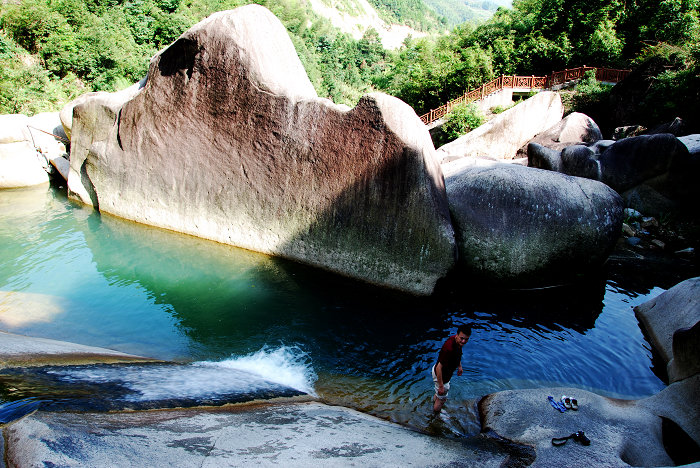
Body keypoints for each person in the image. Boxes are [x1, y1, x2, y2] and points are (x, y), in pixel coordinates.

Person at [432, 324, 471, 413]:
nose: (464, 341)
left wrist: (459, 366)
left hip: (443, 374)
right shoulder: (449, 349)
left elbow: (458, 354)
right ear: (457, 335)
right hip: (441, 376)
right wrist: (441, 386)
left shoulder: (456, 341)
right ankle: (436, 415)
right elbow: (439, 367)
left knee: (439, 396)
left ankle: (434, 402)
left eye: (466, 339)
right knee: (442, 399)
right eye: (462, 338)